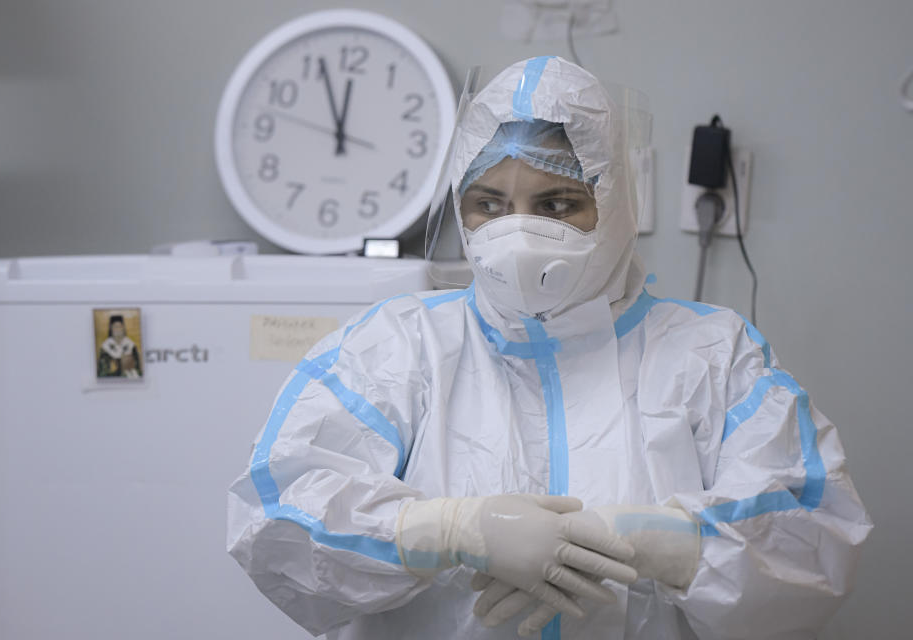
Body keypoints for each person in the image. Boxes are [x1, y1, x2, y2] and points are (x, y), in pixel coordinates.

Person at [227, 56, 871, 639]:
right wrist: (447, 531)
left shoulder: (711, 353)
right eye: (489, 204)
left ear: (613, 202)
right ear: (460, 204)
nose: (519, 232)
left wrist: (664, 544)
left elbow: (812, 533)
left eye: (558, 203)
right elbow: (278, 517)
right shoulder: (398, 346)